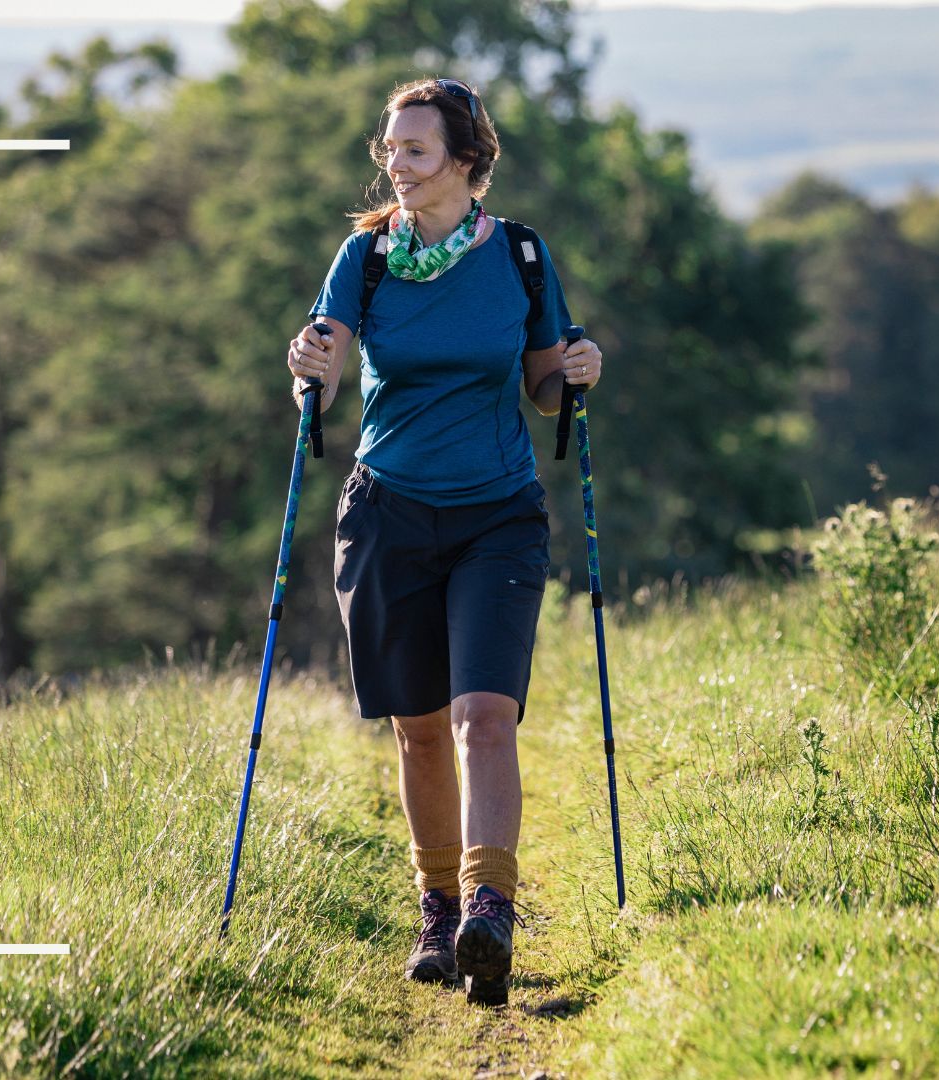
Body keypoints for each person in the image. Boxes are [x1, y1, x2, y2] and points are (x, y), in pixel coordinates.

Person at [284, 76, 603, 1007]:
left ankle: (488, 909)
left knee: (482, 717)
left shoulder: (522, 257)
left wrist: (580, 367)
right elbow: (326, 357)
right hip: (388, 513)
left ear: (467, 163)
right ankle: (435, 911)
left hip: (498, 515)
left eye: (415, 149)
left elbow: (548, 384)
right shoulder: (367, 257)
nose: (396, 163)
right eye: (390, 147)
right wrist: (307, 368)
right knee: (419, 730)